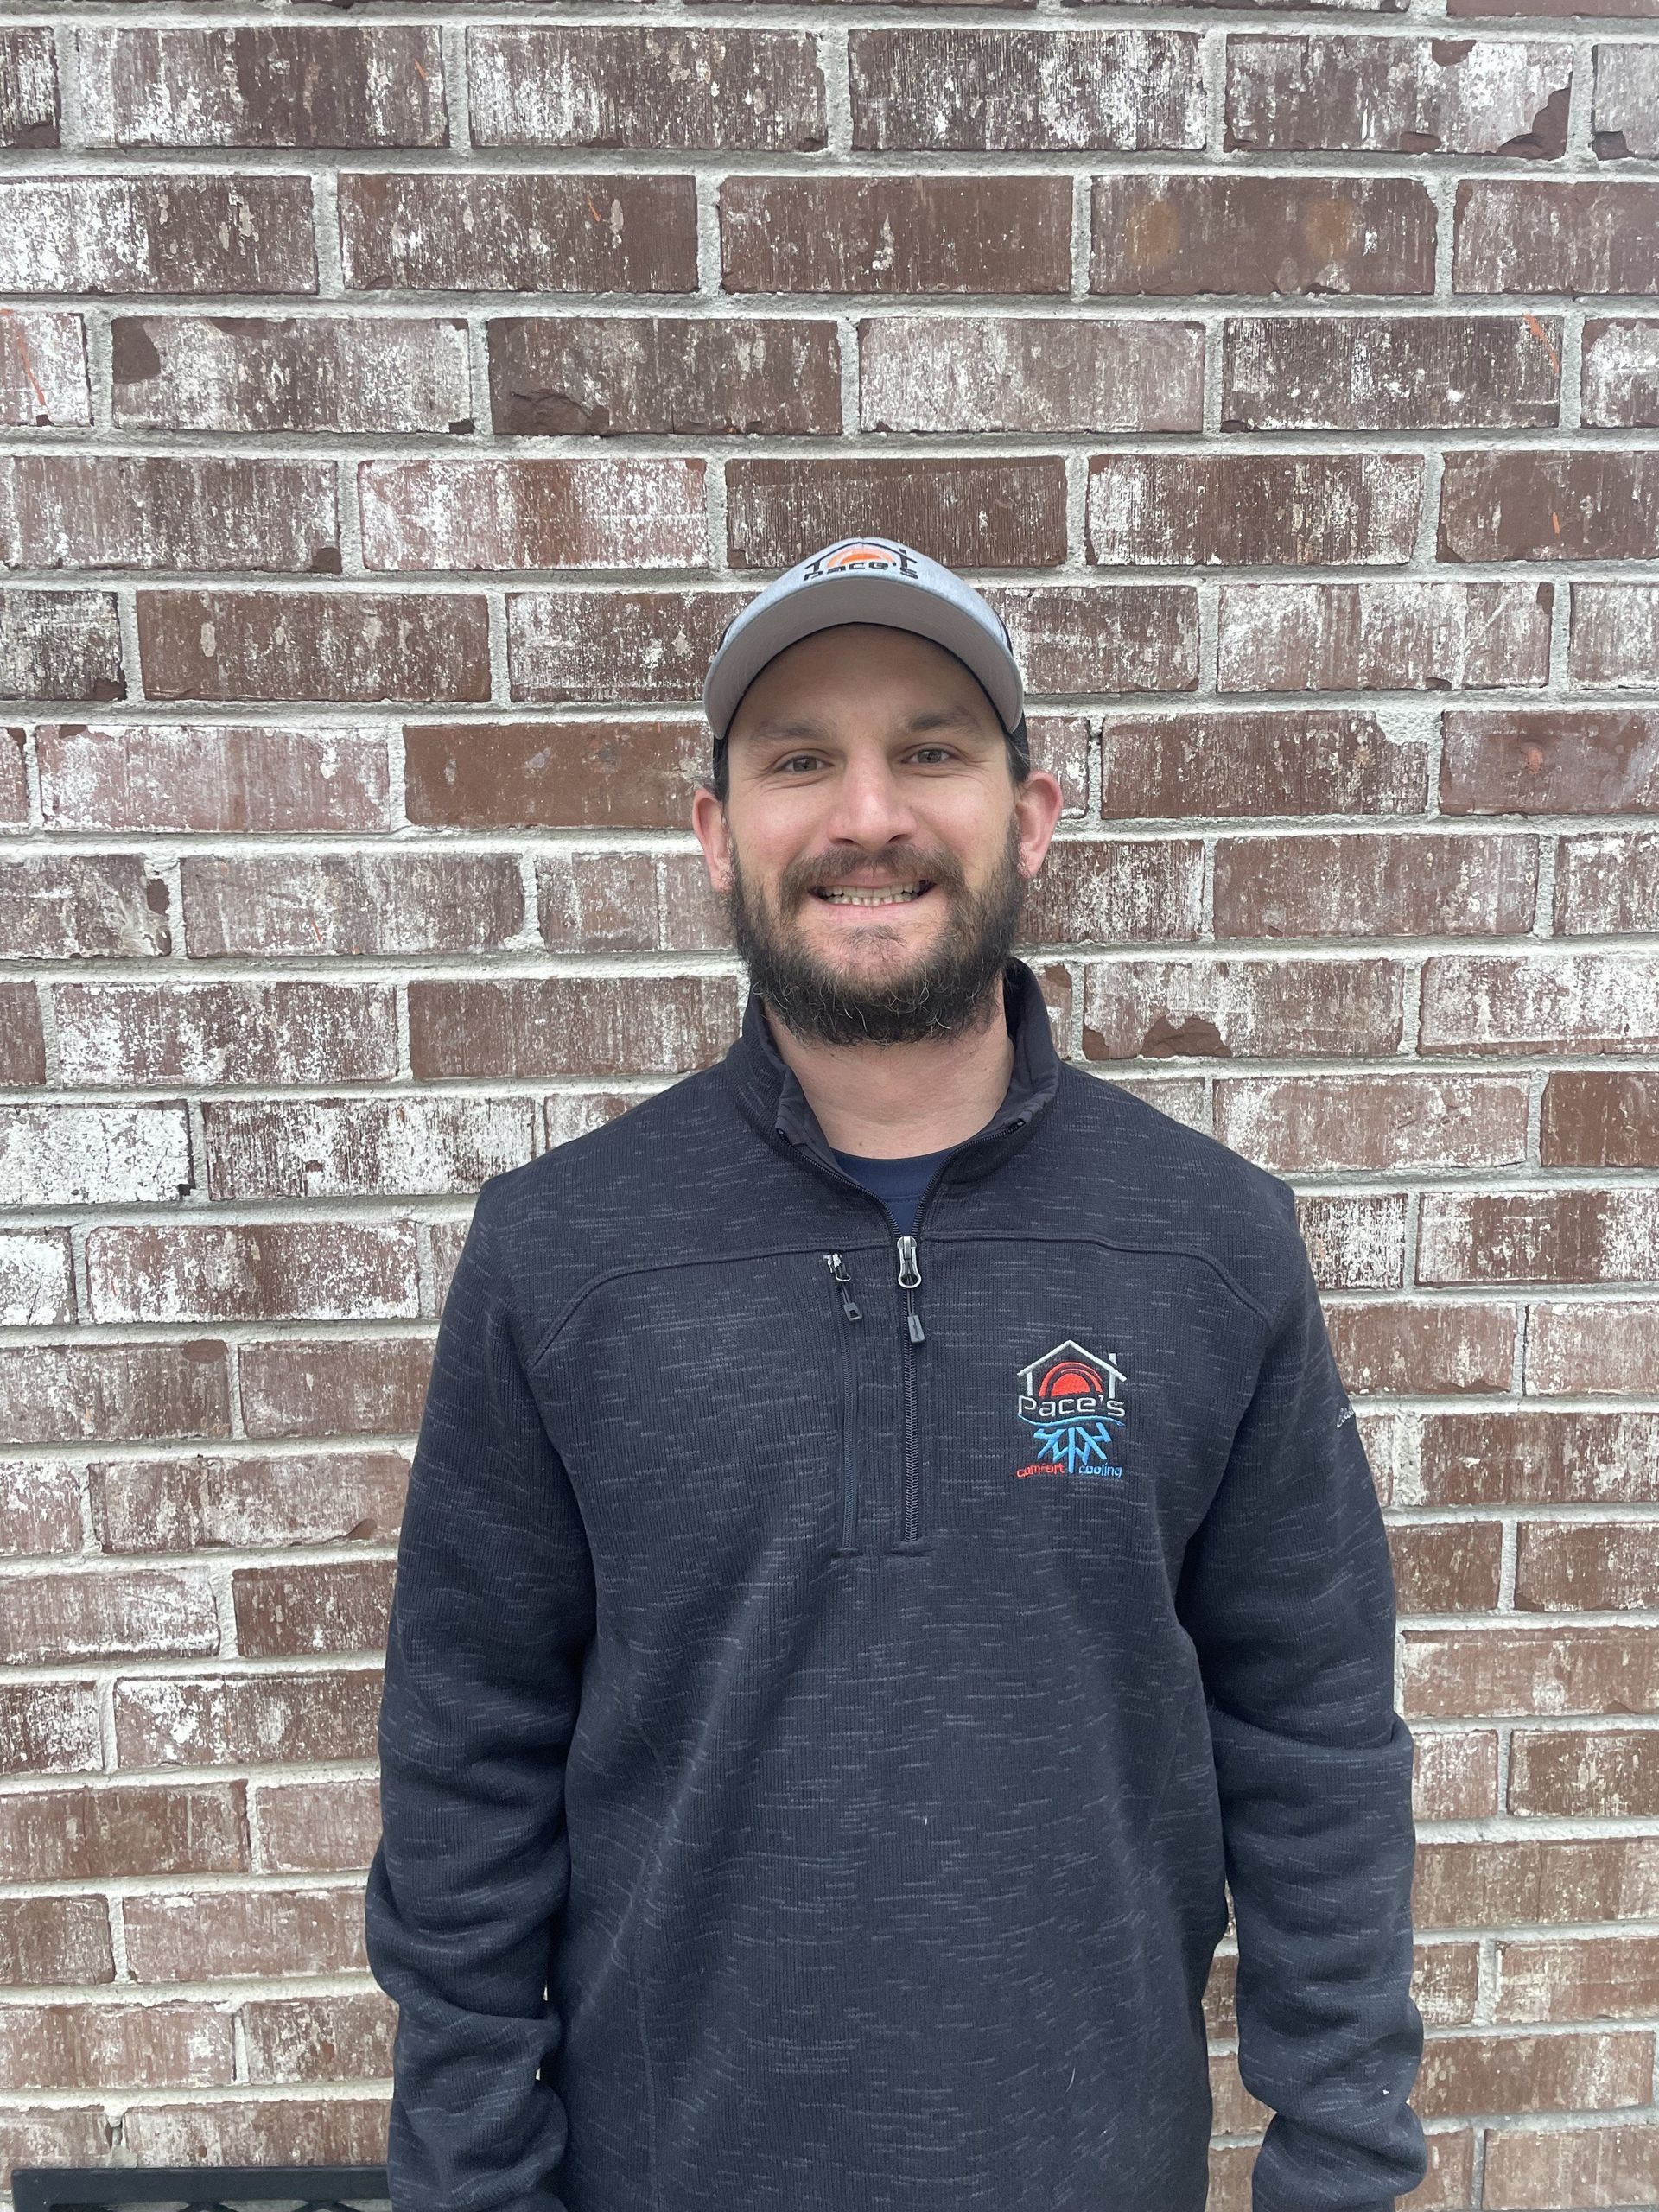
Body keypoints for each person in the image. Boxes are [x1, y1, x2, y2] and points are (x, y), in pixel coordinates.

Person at [365, 536, 1427, 2212]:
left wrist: (1345, 2160)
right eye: (801, 759)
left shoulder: (1214, 1245)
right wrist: (473, 2179)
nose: (869, 813)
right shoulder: (559, 1258)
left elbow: (1311, 1737)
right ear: (718, 830)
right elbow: (463, 1763)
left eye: (931, 747)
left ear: (1033, 812)